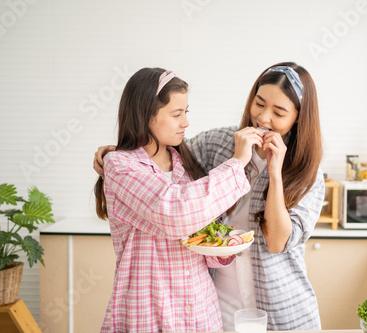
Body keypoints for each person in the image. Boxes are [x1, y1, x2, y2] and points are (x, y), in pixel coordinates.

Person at [94, 62, 325, 331]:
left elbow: (276, 242)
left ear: (298, 117)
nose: (263, 118)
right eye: (259, 103)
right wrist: (117, 151)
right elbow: (161, 157)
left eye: (279, 112)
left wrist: (275, 174)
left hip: (279, 309)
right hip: (220, 306)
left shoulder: (308, 170)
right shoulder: (222, 143)